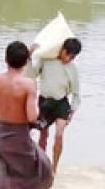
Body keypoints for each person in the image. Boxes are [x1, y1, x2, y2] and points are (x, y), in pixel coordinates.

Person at [0, 41, 54, 189]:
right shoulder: (28, 84)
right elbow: (31, 116)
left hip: (1, 132)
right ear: (26, 62)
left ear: (6, 59)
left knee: (1, 174)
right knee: (34, 169)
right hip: (19, 134)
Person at [28, 38, 82, 174]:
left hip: (61, 103)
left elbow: (76, 93)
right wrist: (30, 55)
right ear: (62, 50)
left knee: (59, 134)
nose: (69, 58)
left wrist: (72, 112)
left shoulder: (72, 68)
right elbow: (31, 74)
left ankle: (54, 168)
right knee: (43, 134)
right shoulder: (46, 60)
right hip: (45, 102)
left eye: (73, 57)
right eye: (68, 54)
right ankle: (40, 165)